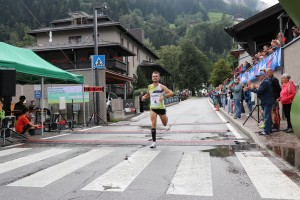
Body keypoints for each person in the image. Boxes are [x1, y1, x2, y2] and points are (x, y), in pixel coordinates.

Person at [141, 71, 173, 148]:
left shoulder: (162, 86)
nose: (155, 77)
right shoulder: (150, 86)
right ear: (152, 78)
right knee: (153, 122)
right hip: (153, 108)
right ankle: (154, 142)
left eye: (156, 76)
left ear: (159, 78)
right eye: (153, 76)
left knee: (164, 124)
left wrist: (164, 96)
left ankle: (166, 117)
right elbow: (148, 94)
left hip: (161, 108)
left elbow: (171, 93)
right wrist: (144, 97)